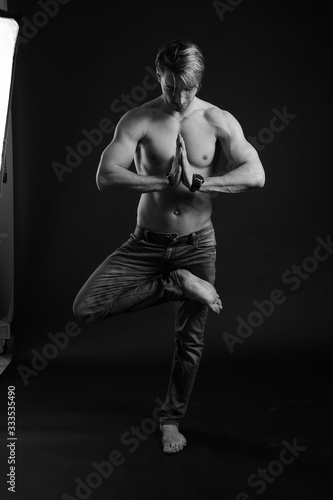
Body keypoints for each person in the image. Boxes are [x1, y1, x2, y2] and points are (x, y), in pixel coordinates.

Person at [73, 38, 265, 454]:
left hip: (197, 245)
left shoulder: (217, 120)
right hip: (145, 244)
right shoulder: (139, 120)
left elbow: (255, 174)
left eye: (188, 89)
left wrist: (201, 183)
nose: (179, 98)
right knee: (86, 307)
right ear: (158, 75)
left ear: (199, 82)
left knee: (190, 342)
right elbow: (105, 176)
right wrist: (162, 182)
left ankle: (171, 421)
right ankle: (177, 283)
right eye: (170, 86)